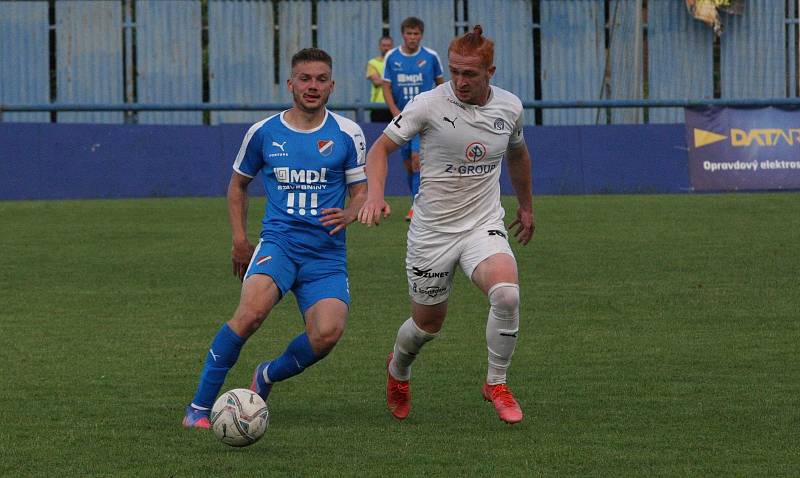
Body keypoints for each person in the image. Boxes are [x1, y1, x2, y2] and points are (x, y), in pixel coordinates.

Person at [183, 48, 367, 429]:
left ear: (331, 85)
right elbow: (238, 186)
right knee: (249, 315)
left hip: (326, 255)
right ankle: (199, 409)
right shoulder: (264, 132)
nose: (312, 86)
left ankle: (266, 376)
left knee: (327, 334)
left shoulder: (348, 133)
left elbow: (361, 191)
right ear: (291, 84)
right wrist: (239, 240)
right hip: (279, 244)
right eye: (305, 79)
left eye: (320, 79)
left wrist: (352, 211)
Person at [358, 26, 534, 425]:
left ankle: (497, 382)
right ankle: (398, 370)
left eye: (470, 73)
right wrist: (375, 194)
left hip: (482, 225)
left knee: (506, 294)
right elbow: (381, 149)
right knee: (427, 325)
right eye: (454, 71)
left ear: (491, 71)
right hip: (432, 233)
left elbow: (518, 155)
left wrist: (525, 207)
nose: (460, 81)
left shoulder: (509, 107)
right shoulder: (427, 104)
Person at [382, 17, 444, 221]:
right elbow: (386, 87)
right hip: (401, 119)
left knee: (418, 160)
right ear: (403, 35)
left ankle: (416, 206)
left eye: (416, 33)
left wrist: (435, 109)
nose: (412, 37)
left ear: (421, 35)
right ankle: (416, 199)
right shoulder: (392, 57)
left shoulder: (431, 57)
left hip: (424, 119)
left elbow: (441, 85)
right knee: (409, 164)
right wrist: (395, 112)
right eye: (409, 33)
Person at [365, 35, 394, 123]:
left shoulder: (398, 62)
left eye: (388, 46)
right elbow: (376, 81)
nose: (386, 48)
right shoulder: (372, 63)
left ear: (392, 47)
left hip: (395, 104)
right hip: (379, 106)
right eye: (384, 45)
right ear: (380, 46)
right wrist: (395, 81)